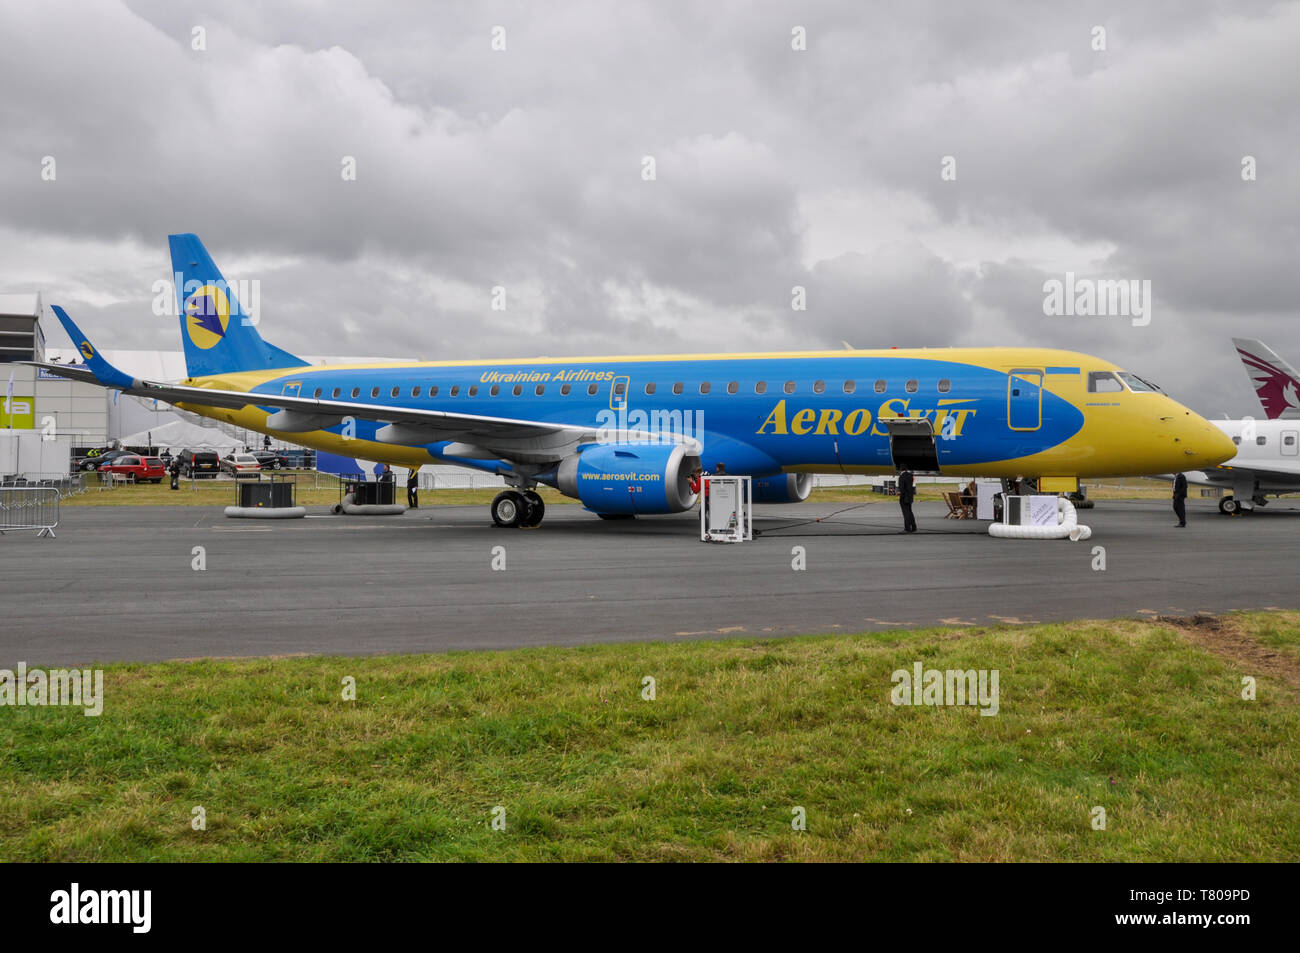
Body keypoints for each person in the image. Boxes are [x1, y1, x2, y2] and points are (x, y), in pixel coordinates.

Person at [898, 466, 917, 533]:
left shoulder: (901, 476)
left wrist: (900, 496)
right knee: (910, 512)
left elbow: (902, 488)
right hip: (910, 497)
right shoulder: (910, 475)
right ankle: (914, 527)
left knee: (906, 513)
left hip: (904, 497)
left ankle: (907, 528)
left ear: (900, 469)